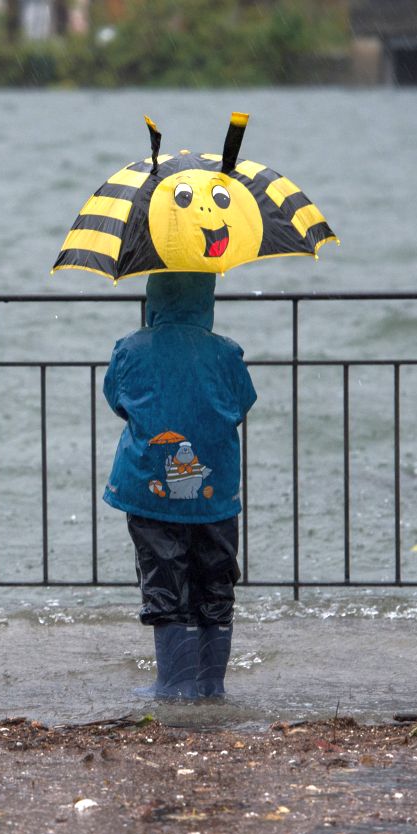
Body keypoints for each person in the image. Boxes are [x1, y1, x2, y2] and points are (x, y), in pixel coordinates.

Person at [102, 271, 256, 699]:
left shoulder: (130, 349)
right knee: (216, 581)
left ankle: (174, 682)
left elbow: (117, 398)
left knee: (164, 582)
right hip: (215, 496)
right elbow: (242, 402)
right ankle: (212, 683)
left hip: (150, 490)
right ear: (207, 300)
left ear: (154, 299)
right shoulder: (226, 353)